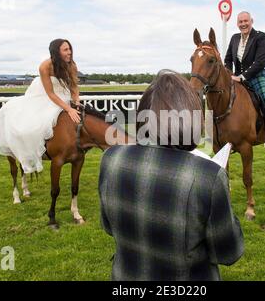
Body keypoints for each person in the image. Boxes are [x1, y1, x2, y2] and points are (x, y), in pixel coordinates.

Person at [98, 70, 244, 281]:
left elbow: (109, 227)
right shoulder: (209, 177)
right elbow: (229, 253)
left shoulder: (111, 158)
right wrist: (221, 197)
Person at [0, 39, 81, 173]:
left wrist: (76, 102)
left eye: (70, 49)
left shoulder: (72, 66)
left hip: (64, 95)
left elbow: (74, 87)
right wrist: (68, 109)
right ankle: (32, 152)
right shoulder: (44, 66)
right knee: (33, 126)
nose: (69, 52)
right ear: (56, 52)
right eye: (65, 50)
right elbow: (50, 94)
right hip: (43, 96)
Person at [224, 11, 265, 150]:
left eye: (245, 21)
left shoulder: (261, 37)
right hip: (236, 77)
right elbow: (228, 59)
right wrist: (228, 74)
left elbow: (260, 62)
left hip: (258, 76)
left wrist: (242, 77)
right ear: (237, 24)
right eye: (240, 22)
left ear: (251, 21)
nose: (243, 24)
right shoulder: (234, 38)